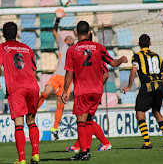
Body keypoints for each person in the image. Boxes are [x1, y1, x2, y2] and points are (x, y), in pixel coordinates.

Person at [62, 21, 128, 161]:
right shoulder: (98, 47)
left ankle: (84, 151)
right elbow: (113, 64)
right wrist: (122, 59)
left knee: (80, 120)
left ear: (76, 32)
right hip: (97, 91)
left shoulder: (72, 50)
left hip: (83, 90)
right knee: (88, 120)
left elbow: (69, 73)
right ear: (89, 32)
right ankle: (92, 147)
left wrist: (65, 91)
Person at [0, 22, 40, 164]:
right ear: (17, 34)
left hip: (16, 88)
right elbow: (33, 70)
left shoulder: (2, 47)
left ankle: (22, 159)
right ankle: (36, 154)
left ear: (3, 35)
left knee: (19, 124)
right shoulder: (27, 48)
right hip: (32, 86)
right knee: (31, 121)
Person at [122, 34, 163, 149]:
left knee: (140, 113)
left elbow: (134, 70)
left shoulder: (137, 56)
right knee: (156, 112)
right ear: (150, 44)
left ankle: (147, 143)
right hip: (159, 86)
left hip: (147, 86)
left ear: (139, 44)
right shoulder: (157, 56)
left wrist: (129, 86)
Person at [65, 32, 112, 152]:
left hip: (85, 90)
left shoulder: (89, 52)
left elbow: (105, 74)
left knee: (83, 119)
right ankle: (80, 145)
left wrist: (97, 84)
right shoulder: (96, 50)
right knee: (86, 119)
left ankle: (98, 144)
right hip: (94, 90)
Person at [37, 8, 74, 140]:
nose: (68, 38)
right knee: (45, 93)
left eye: (71, 37)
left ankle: (55, 128)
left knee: (60, 105)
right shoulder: (63, 46)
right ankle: (33, 112)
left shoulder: (77, 50)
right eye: (67, 37)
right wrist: (57, 19)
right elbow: (54, 32)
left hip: (68, 81)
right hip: (57, 76)